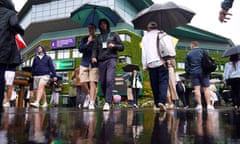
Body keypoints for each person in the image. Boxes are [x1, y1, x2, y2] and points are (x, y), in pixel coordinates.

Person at [91, 18, 124, 111]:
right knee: (103, 81)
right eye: (101, 24)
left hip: (111, 59)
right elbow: (94, 49)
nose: (103, 25)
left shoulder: (114, 35)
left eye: (104, 24)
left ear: (107, 25)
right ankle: (109, 97)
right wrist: (93, 57)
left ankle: (107, 102)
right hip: (101, 61)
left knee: (109, 79)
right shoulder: (98, 38)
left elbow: (122, 47)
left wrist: (114, 45)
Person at [0, 0, 24, 108]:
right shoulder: (10, 13)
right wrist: (20, 31)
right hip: (3, 49)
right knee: (0, 77)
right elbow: (14, 24)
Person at [142, 21, 169, 111]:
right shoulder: (162, 34)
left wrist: (144, 65)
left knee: (154, 84)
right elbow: (168, 48)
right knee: (163, 82)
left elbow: (144, 52)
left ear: (148, 28)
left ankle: (157, 104)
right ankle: (162, 101)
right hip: (162, 62)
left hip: (151, 63)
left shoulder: (145, 37)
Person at [185, 41, 214, 110]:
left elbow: (186, 67)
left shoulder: (189, 54)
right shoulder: (204, 51)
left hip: (194, 73)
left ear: (192, 45)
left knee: (196, 89)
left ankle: (199, 105)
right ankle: (209, 105)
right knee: (206, 89)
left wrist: (190, 72)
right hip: (204, 72)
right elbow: (208, 61)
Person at [79, 23, 99, 110]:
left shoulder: (98, 39)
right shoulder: (84, 39)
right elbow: (80, 49)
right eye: (89, 28)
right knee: (82, 82)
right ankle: (88, 95)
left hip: (94, 64)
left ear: (95, 30)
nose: (90, 30)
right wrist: (88, 42)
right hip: (84, 63)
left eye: (92, 28)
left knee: (92, 82)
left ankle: (91, 102)